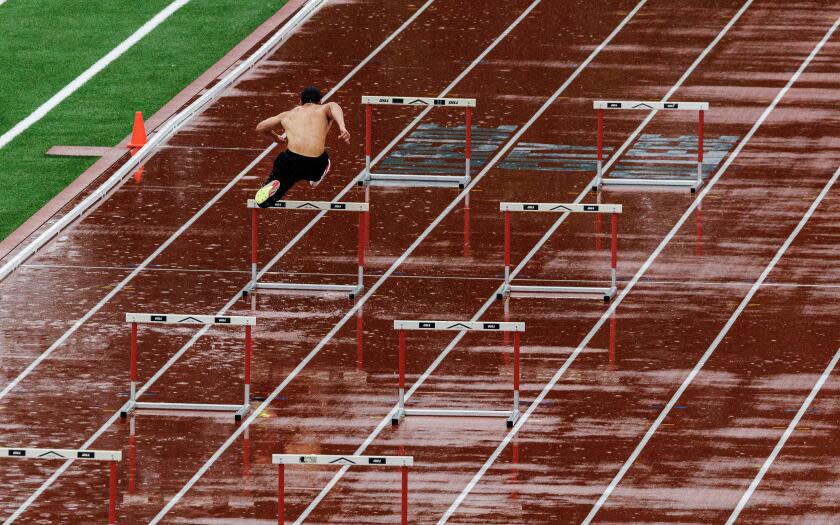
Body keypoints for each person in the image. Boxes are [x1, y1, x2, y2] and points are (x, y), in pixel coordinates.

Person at [254, 86, 350, 207]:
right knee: (321, 164)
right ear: (320, 101)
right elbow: (334, 106)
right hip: (314, 163)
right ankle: (318, 175)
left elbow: (261, 127)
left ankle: (272, 189)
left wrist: (275, 137)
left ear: (300, 102)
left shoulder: (287, 115)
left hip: (289, 162)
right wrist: (342, 126)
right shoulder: (324, 109)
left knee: (264, 202)